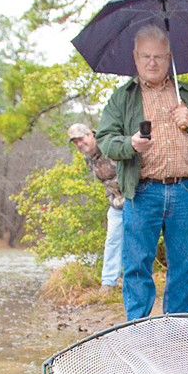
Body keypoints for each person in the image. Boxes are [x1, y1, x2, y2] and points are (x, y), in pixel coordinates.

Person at [96, 25, 188, 320]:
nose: (152, 62)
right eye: (146, 56)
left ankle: (178, 329)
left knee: (184, 265)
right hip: (141, 191)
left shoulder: (185, 93)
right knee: (137, 264)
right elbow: (104, 139)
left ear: (169, 59)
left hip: (183, 191)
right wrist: (130, 144)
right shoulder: (122, 97)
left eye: (159, 57)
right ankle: (138, 328)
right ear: (135, 58)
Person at [67, 122, 124, 288]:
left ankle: (133, 283)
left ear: (91, 134)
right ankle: (108, 284)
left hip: (135, 198)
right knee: (112, 240)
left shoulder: (109, 144)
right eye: (75, 142)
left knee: (136, 242)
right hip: (115, 202)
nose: (79, 144)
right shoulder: (88, 158)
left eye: (81, 138)